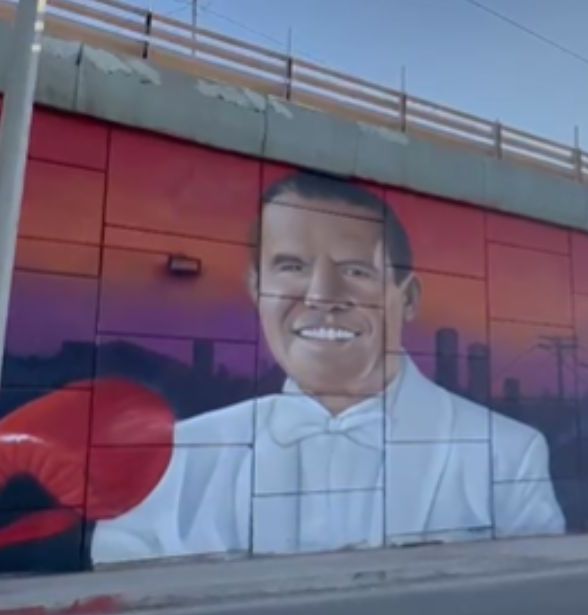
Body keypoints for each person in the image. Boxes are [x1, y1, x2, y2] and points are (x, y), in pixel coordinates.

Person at [91, 171, 564, 562]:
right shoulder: (171, 459)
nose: (320, 296)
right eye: (291, 267)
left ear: (410, 297)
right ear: (257, 289)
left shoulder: (510, 453)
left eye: (356, 271)